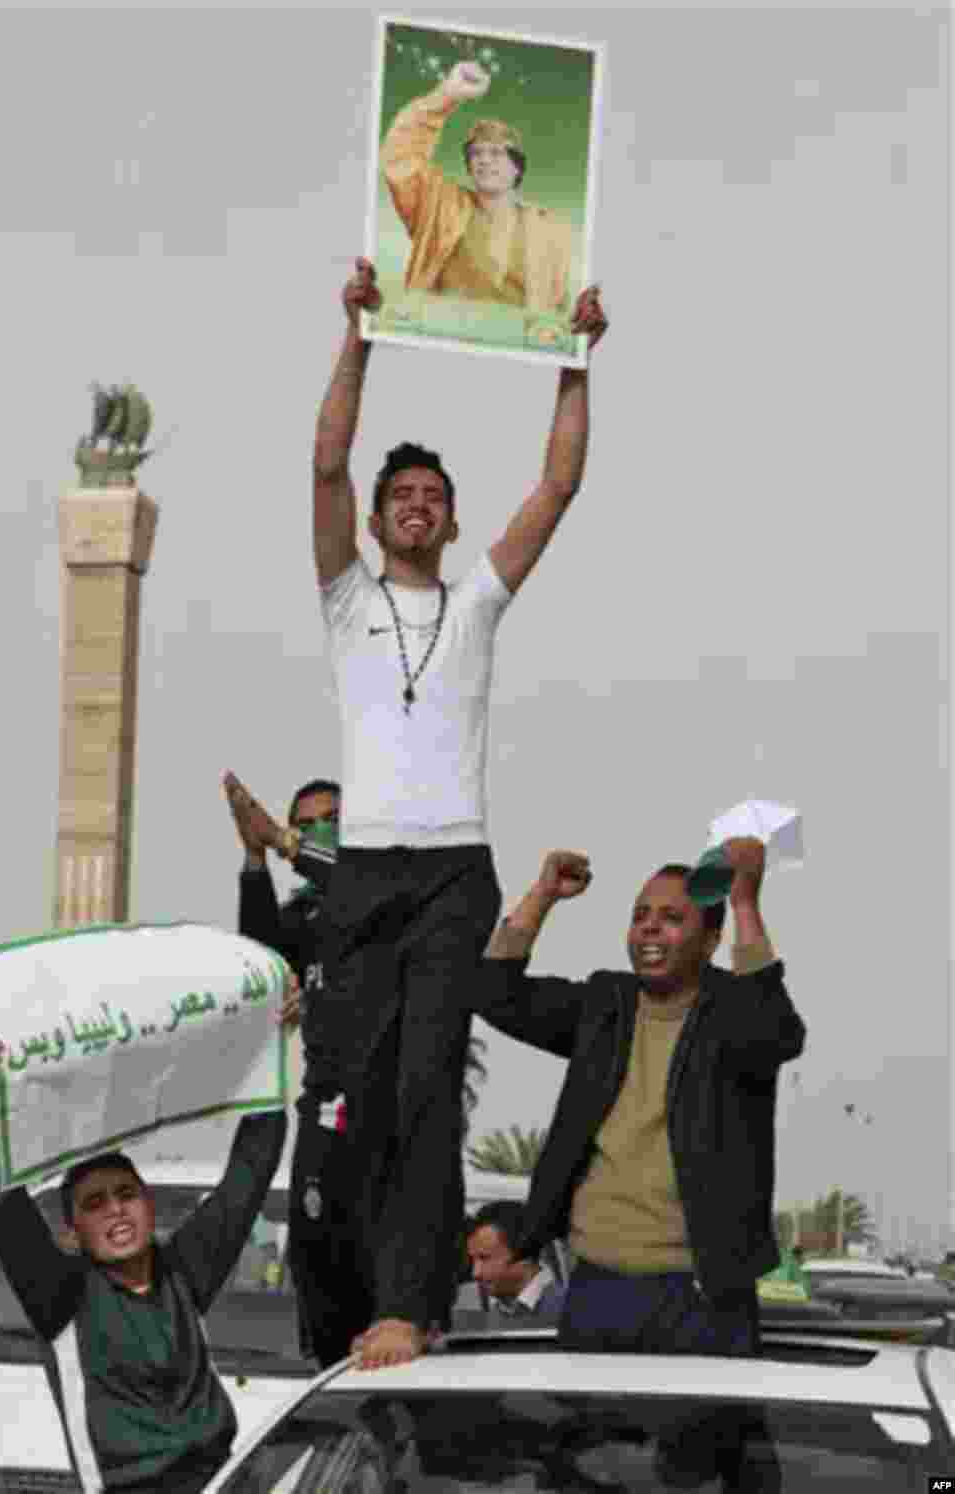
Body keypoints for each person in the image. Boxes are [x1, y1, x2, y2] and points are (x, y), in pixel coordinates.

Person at [311, 257, 607, 1369]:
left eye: (433, 497)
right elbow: (327, 459)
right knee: (354, 1099)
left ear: (449, 518)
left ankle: (409, 1304)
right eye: (403, 498)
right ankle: (346, 1297)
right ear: (383, 518)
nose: (417, 506)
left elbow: (559, 487)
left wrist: (574, 358)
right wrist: (360, 332)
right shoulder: (347, 599)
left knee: (433, 1091)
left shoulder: (476, 601)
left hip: (450, 875)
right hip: (363, 877)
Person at [467, 837, 802, 1485]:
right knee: (581, 1475)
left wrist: (745, 901)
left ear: (710, 943)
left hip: (702, 1301)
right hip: (597, 1293)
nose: (650, 926)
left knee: (704, 1478)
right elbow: (494, 994)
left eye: (673, 918)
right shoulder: (604, 1003)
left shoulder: (734, 1013)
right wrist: (542, 897)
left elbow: (780, 1032)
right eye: (641, 913)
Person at [0, 1012, 289, 1494]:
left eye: (125, 1194)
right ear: (72, 1233)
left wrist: (273, 1044)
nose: (115, 1210)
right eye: (95, 1204)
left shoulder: (183, 1272)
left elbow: (248, 1175)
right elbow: (3, 1210)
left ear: (148, 1205)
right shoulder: (63, 1297)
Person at [223, 770, 376, 1368]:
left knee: (376, 1262)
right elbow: (259, 954)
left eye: (330, 819)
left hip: (386, 1110)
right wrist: (255, 855)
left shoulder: (389, 894)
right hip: (323, 1107)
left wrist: (285, 840)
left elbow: (360, 892)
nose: (316, 831)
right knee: (317, 1256)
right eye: (304, 822)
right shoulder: (306, 915)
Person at [381, 60, 571, 314]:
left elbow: (558, 310)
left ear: (517, 168)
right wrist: (447, 94)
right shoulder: (439, 206)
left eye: (496, 152)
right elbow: (400, 154)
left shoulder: (547, 229)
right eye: (476, 153)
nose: (483, 159)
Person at [465, 1201, 566, 1320]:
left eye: (484, 1258)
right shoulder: (495, 1311)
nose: (476, 1272)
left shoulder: (571, 1312)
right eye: (474, 1260)